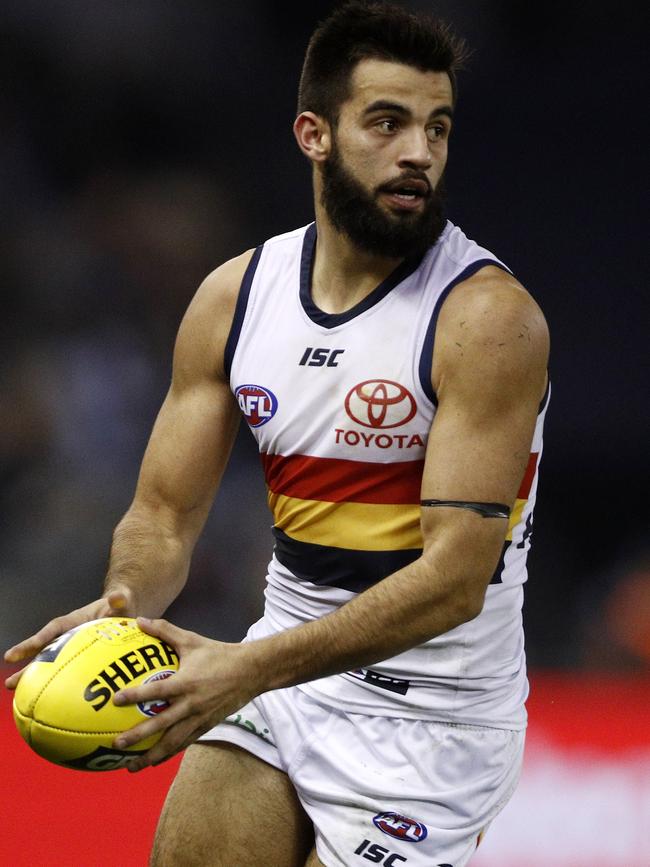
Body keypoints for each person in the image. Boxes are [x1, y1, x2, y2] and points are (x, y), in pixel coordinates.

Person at [5, 2, 550, 865]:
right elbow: (162, 515)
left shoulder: (486, 320)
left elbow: (455, 580)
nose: (419, 152)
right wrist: (123, 605)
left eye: (436, 126)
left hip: (434, 719)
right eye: (387, 121)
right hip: (288, 674)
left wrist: (248, 666)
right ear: (314, 133)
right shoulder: (236, 297)